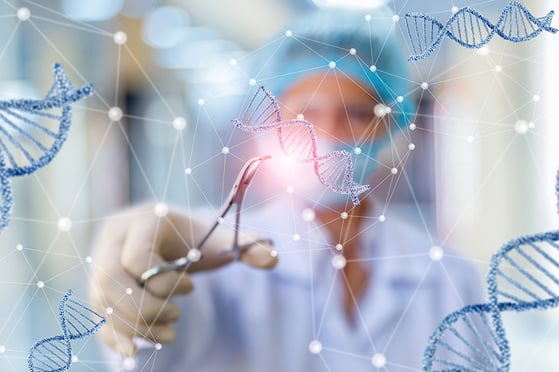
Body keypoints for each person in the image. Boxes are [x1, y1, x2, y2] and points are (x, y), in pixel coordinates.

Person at [89, 4, 483, 371]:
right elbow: (151, 351)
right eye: (307, 112)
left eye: (359, 114)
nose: (328, 134)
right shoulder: (215, 256)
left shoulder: (449, 277)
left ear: (391, 125)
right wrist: (139, 278)